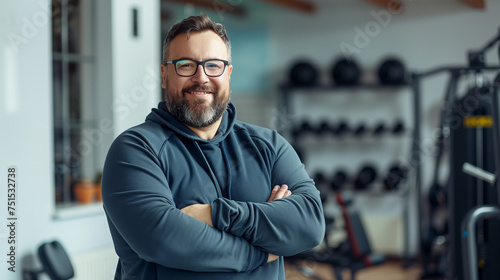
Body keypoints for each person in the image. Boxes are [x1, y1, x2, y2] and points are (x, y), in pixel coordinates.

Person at [101, 14, 325, 280]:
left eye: (213, 65)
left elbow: (309, 226)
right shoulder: (135, 150)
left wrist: (214, 214)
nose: (201, 77)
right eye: (185, 65)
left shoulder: (269, 145)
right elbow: (164, 239)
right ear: (164, 75)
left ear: (228, 74)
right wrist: (262, 251)